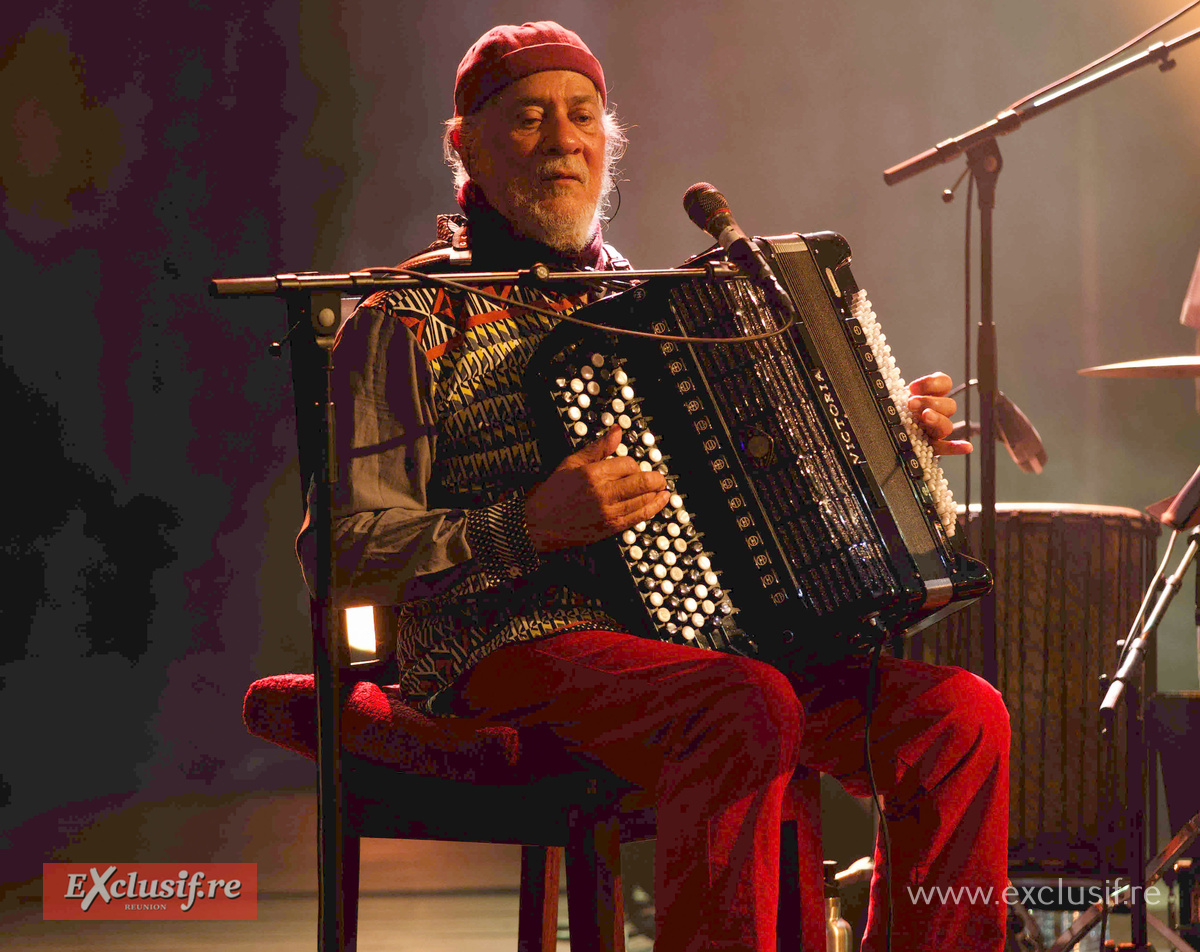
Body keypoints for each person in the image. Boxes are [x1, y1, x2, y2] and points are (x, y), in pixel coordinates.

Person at [302, 21, 1010, 952]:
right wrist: (524, 527)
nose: (563, 141)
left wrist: (884, 444)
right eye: (528, 118)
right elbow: (342, 550)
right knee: (745, 704)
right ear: (464, 145)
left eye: (582, 116)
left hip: (704, 647)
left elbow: (766, 490)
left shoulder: (660, 308)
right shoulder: (405, 316)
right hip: (500, 646)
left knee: (958, 718)